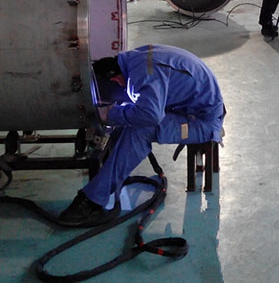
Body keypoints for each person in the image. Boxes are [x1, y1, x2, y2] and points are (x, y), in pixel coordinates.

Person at [59, 44, 225, 227]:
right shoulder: (134, 60)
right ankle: (106, 179)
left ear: (115, 79)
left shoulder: (143, 72)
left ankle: (92, 200)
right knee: (129, 117)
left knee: (140, 129)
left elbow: (151, 115)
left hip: (202, 123)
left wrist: (109, 113)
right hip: (189, 109)